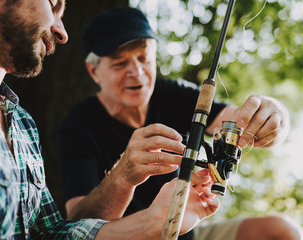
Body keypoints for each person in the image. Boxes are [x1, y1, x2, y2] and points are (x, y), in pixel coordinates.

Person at [0, 1, 221, 239]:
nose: (61, 32)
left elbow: (49, 234)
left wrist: (153, 222)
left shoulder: (22, 125)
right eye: (53, 4)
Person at [57, 7, 302, 240]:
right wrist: (123, 176)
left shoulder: (174, 94)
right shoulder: (78, 126)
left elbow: (239, 125)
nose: (137, 72)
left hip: (189, 232)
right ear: (93, 71)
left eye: (144, 58)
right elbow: (77, 225)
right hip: (128, 235)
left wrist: (272, 115)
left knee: (282, 230)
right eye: (120, 64)